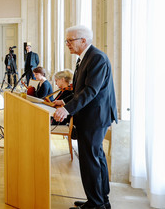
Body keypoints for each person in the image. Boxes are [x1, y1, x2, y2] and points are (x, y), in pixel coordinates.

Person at [53, 25, 117, 209]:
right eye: (66, 41)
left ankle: (96, 203)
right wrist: (65, 103)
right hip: (91, 115)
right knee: (95, 157)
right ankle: (100, 200)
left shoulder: (97, 58)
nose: (67, 44)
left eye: (70, 40)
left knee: (90, 160)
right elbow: (80, 90)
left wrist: (67, 110)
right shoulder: (84, 58)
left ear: (84, 40)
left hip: (95, 117)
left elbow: (91, 91)